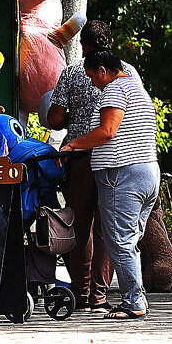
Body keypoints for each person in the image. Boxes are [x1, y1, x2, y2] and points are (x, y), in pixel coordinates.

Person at [47, 20, 142, 310]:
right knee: (107, 227)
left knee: (78, 223)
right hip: (119, 159)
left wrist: (71, 128)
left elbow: (54, 119)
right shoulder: (129, 73)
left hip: (81, 157)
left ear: (84, 45)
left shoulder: (74, 71)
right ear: (110, 42)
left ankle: (80, 290)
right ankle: (100, 296)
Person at [60, 49, 159, 320]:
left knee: (120, 241)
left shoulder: (115, 90)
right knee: (129, 240)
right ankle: (137, 297)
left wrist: (73, 144)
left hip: (122, 175)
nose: (93, 83)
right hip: (147, 172)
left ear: (103, 71)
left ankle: (133, 302)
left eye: (93, 77)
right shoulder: (139, 90)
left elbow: (107, 131)